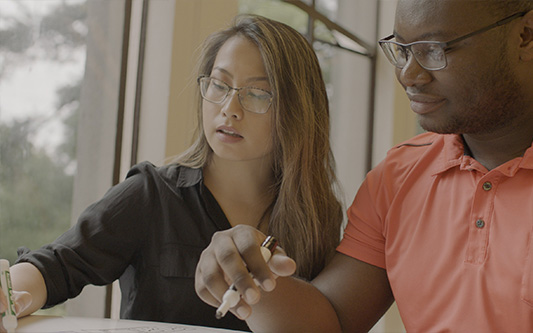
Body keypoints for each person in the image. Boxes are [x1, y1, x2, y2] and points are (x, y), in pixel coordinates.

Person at [194, 0, 533, 331]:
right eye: (402, 50)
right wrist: (251, 272)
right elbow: (333, 320)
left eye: (433, 49)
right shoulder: (397, 178)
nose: (408, 74)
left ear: (526, 35)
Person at [0, 14, 343, 331]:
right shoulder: (150, 195)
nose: (229, 109)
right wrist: (7, 296)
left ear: (298, 109)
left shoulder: (318, 216)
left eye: (257, 93)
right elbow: (58, 264)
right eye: (219, 85)